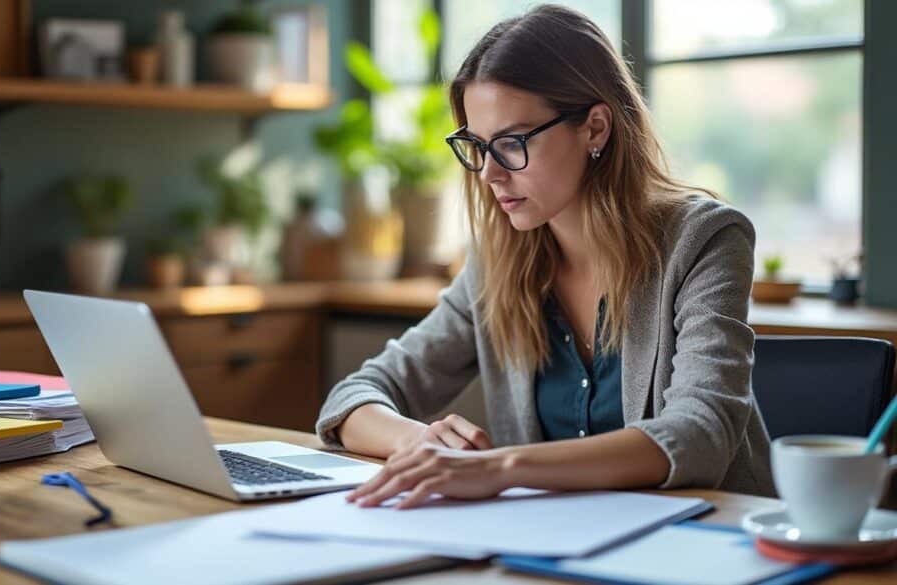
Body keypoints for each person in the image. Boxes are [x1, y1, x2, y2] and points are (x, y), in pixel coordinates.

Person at [316, 4, 774, 510]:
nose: (489, 173)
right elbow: (356, 396)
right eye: (477, 145)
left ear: (595, 128)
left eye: (511, 143)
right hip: (554, 543)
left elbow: (699, 435)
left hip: (706, 543)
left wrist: (498, 467)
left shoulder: (704, 239)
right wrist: (416, 443)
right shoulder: (499, 261)